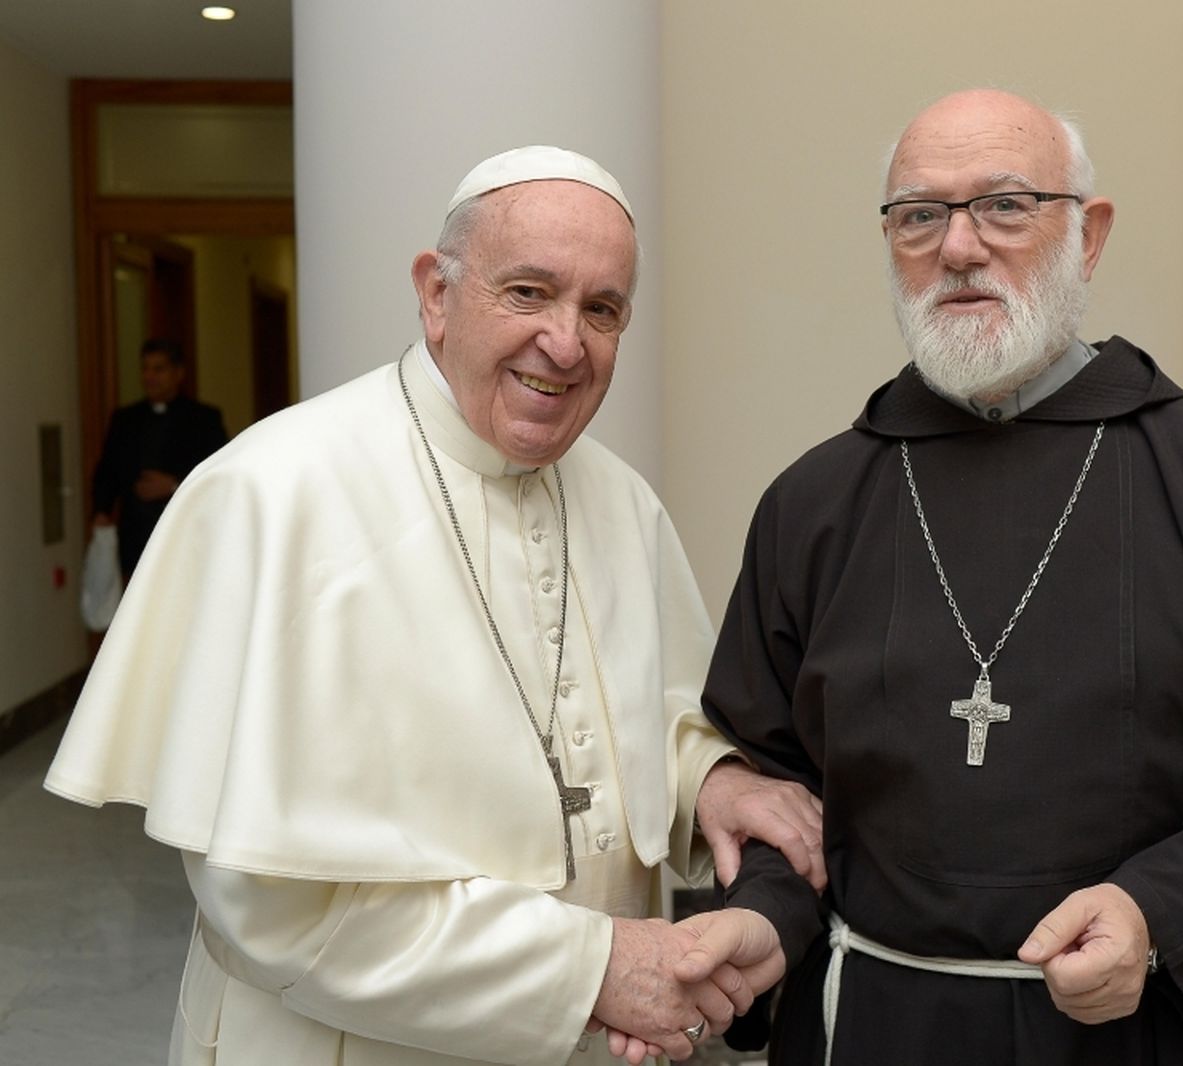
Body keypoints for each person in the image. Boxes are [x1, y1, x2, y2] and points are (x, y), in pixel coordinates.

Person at [678, 90, 1183, 1065]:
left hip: (1145, 1026)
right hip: (878, 1026)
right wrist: (765, 918)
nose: (959, 247)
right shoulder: (813, 502)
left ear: (1088, 233)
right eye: (919, 214)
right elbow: (768, 781)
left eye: (1005, 205)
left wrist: (1157, 910)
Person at [46, 146, 818, 1066]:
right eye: (528, 292)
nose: (566, 344)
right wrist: (591, 967)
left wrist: (711, 786)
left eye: (602, 310)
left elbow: (645, 716)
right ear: (437, 293)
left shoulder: (621, 500)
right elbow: (272, 903)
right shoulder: (273, 493)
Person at [90, 337, 228, 579]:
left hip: (185, 536)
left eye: (158, 369)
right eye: (145, 368)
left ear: (178, 373)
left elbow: (219, 474)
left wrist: (173, 485)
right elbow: (108, 470)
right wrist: (102, 510)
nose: (149, 376)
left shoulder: (204, 420)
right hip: (137, 537)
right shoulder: (125, 420)